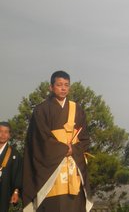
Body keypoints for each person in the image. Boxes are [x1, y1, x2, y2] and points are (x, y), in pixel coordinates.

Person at [23, 71, 92, 212]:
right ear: (51, 87)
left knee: (75, 204)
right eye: (59, 85)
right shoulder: (41, 110)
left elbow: (84, 138)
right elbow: (40, 139)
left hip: (73, 165)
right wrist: (64, 149)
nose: (63, 88)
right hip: (50, 169)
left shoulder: (77, 109)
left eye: (66, 85)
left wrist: (74, 149)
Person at [0, 122, 22, 212]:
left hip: (4, 191)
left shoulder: (14, 154)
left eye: (6, 132)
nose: (3, 135)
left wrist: (16, 192)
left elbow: (18, 174)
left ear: (9, 135)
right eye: (0, 131)